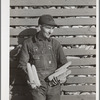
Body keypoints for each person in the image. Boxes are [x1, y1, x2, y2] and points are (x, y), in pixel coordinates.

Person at [19, 14, 68, 100]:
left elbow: (64, 65)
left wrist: (61, 78)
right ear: (40, 27)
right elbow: (22, 65)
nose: (51, 32)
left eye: (53, 28)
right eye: (48, 28)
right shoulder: (28, 43)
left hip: (54, 87)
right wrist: (30, 79)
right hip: (37, 87)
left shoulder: (55, 44)